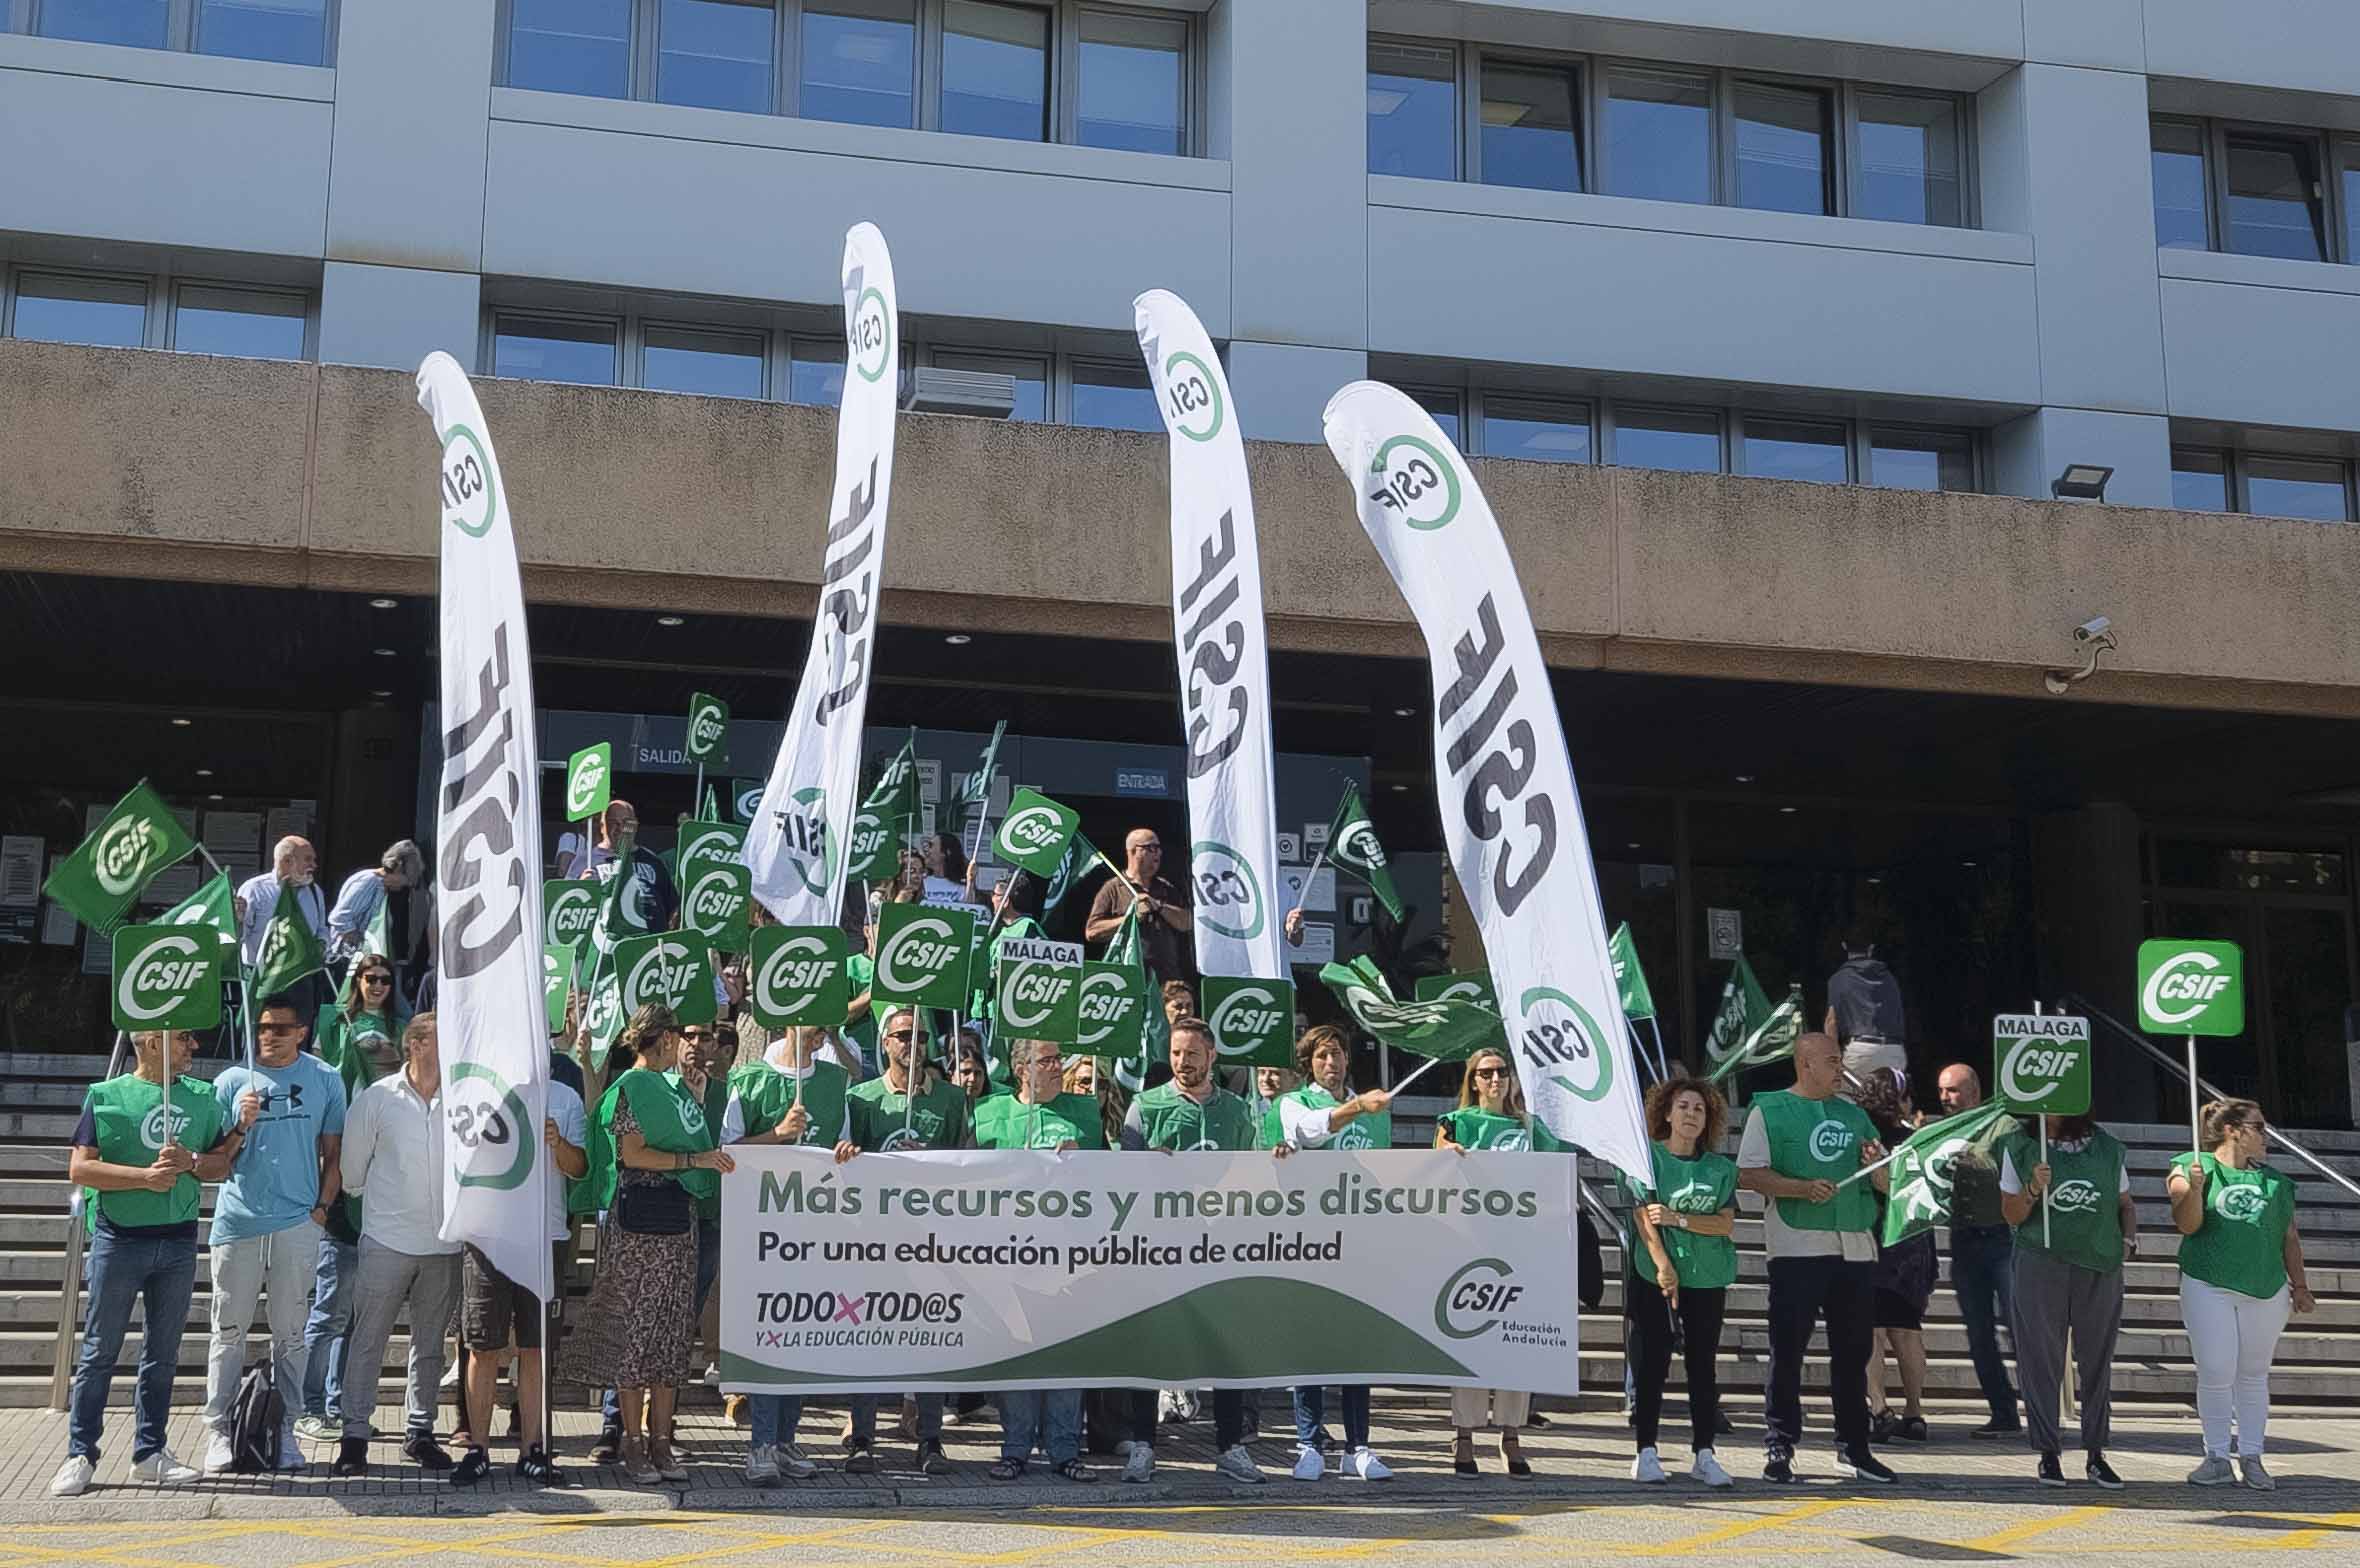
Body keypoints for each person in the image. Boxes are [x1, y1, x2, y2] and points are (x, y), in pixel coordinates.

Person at [51, 1029, 247, 1497]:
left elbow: (221, 1164)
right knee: (100, 1352)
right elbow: (79, 1168)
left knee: (162, 1354)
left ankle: (150, 1451)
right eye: (183, 1040)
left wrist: (192, 1160)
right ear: (152, 1044)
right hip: (119, 1239)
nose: (193, 1048)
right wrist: (144, 1177)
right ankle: (80, 1453)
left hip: (178, 1240)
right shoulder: (105, 1095)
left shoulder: (202, 1098)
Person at [562, 1004, 730, 1485]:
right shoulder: (632, 1087)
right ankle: (632, 1443)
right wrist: (693, 1157)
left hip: (678, 1224)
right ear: (662, 1038)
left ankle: (661, 1442)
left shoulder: (673, 1088)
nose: (685, 1043)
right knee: (634, 1335)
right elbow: (633, 1153)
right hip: (637, 1226)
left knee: (672, 1335)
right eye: (679, 1034)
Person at [1736, 1031, 1896, 1485]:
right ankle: (1780, 1443)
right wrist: (1801, 1189)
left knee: (1854, 1351)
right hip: (1798, 1246)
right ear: (1804, 1064)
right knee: (1788, 1349)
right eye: (1831, 1060)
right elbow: (1749, 1174)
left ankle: (1854, 1446)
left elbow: (1886, 1183)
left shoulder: (1856, 1116)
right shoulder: (1769, 1109)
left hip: (1855, 1246)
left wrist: (1877, 1164)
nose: (1839, 1069)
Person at [202, 995, 347, 1475]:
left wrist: (322, 1209)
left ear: (302, 1031)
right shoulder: (229, 1081)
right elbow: (212, 1161)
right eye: (262, 1027)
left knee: (290, 1334)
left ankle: (287, 1429)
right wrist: (239, 1125)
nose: (269, 1035)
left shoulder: (325, 1078)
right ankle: (218, 1431)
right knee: (228, 1330)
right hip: (239, 1221)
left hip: (297, 1223)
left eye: (281, 1028)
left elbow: (334, 1152)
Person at [1118, 1019, 1265, 1485]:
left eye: (1192, 1054)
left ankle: (1229, 1446)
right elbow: (1119, 1177)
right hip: (1160, 1250)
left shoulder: (1239, 1112)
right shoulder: (1146, 1105)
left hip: (1220, 1250)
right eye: (1177, 1053)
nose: (1183, 1062)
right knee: (1150, 1349)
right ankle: (1143, 1445)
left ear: (1212, 1056)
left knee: (1223, 1350)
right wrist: (1146, 1167)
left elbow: (1254, 1174)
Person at [834, 1005, 970, 1473]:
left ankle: (931, 1439)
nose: (912, 1046)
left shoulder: (951, 1099)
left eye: (921, 1038)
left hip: (931, 1242)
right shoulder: (863, 1099)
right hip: (875, 1241)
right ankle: (863, 1437)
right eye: (903, 1036)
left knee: (930, 1339)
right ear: (885, 1043)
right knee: (869, 1341)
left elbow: (966, 1165)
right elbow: (848, 1165)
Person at [332, 1014, 462, 1478]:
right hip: (386, 1240)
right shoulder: (376, 1099)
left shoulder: (463, 1099)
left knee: (429, 1346)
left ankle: (420, 1432)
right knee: (368, 1340)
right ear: (418, 1045)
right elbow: (351, 1173)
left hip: (444, 1242)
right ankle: (354, 1436)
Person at [721, 1025, 851, 1482]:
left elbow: (844, 1151)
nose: (821, 1032)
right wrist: (777, 1134)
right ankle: (760, 1444)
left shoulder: (836, 1083)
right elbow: (725, 1152)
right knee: (770, 1335)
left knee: (801, 1335)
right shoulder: (748, 1080)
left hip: (815, 1232)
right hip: (762, 1233)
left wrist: (845, 1153)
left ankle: (786, 1439)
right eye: (812, 1021)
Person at [449, 1064, 586, 1489]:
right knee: (482, 1347)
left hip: (544, 1236)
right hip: (488, 1236)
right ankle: (478, 1449)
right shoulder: (477, 1092)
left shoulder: (565, 1097)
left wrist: (556, 1142)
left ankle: (534, 1448)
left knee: (536, 1347)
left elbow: (579, 1167)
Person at [1268, 1025, 1394, 1482]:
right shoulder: (1293, 1103)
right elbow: (1310, 1133)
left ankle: (1358, 1445)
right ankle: (1309, 1442)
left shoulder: (1377, 1111)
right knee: (1311, 1346)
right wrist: (1357, 1107)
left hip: (1359, 1242)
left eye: (1337, 1054)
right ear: (1309, 1063)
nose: (1331, 1063)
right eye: (1321, 1056)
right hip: (1309, 1242)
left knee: (1355, 1346)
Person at [969, 1038, 1099, 1481]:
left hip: (1067, 1260)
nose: (1058, 1066)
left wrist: (1088, 1163)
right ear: (1022, 1069)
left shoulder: (1084, 1112)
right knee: (1020, 1356)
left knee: (1065, 1358)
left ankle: (1065, 1451)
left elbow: (1112, 1177)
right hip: (1008, 1259)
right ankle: (1015, 1448)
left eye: (1059, 1058)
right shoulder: (988, 1113)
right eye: (1048, 1060)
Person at [2169, 1098, 2312, 1490]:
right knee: (2216, 1368)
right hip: (2208, 1282)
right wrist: (2194, 1190)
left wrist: (2299, 1285)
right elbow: (2186, 1225)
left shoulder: (2276, 1183)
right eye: (2259, 1127)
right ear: (2233, 1130)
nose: (2267, 1135)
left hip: (2265, 1287)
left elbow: (2289, 1235)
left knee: (2253, 1374)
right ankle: (2216, 1456)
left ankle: (2251, 1455)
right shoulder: (2190, 1167)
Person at [299, 951, 408, 1443]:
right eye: (370, 978)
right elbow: (334, 1080)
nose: (379, 985)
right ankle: (311, 1406)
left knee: (360, 1315)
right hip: (345, 1167)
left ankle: (341, 1404)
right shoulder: (336, 1020)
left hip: (387, 1180)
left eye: (386, 978)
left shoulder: (406, 1027)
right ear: (356, 981)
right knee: (329, 1309)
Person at [1436, 1045, 1557, 1477]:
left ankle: (1511, 1433)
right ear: (1472, 1080)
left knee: (1515, 1341)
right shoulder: (1459, 1121)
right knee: (1470, 1338)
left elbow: (1553, 1174)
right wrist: (1446, 1153)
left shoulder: (1529, 1127)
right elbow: (1438, 1156)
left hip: (1520, 1243)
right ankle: (1464, 1433)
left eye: (1502, 1071)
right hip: (1470, 1243)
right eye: (1485, 1072)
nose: (1495, 1079)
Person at [2001, 1105, 2136, 1488]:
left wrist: (2128, 1239)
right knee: (2040, 1357)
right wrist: (2031, 1189)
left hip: (2098, 1261)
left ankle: (2096, 1453)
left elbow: (2125, 1204)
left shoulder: (2107, 1148)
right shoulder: (2021, 1146)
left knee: (2097, 1360)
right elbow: (2009, 1214)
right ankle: (2048, 1452)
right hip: (2041, 1260)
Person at [1624, 1073, 1738, 1490]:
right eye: (1684, 1107)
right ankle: (1646, 1450)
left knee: (1701, 1366)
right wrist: (1663, 1264)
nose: (1691, 1115)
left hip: (1707, 1277)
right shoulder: (1645, 1160)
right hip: (1654, 1276)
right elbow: (1642, 1216)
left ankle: (1704, 1453)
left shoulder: (1721, 1169)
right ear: (1667, 1113)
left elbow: (1724, 1224)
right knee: (1651, 1365)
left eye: (1700, 1109)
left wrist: (1679, 1219)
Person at [1938, 1062, 2022, 1439]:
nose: (1945, 1098)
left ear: (1973, 1090)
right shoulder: (1939, 1130)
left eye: (1953, 1090)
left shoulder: (2004, 1125)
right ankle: (2002, 1411)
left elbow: (2014, 1171)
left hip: (2003, 1238)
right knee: (1978, 1332)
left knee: (2019, 1329)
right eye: (1941, 1091)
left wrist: (1966, 1156)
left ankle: (2039, 1409)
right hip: (1965, 1240)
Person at [1857, 1070, 1935, 1447]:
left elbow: (1881, 1186)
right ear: (1899, 1100)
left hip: (1872, 1238)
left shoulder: (1860, 1137)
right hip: (1911, 1241)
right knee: (1907, 1328)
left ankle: (1878, 1407)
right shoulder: (1917, 1141)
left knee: (1871, 1329)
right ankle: (1915, 1411)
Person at [1085, 828, 1193, 986]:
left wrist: (1159, 905)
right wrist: (1131, 918)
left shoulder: (1166, 888)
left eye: (1159, 848)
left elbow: (1187, 923)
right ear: (1133, 851)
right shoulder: (1114, 888)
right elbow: (1092, 932)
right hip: (1125, 978)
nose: (1158, 854)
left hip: (1166, 980)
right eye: (1152, 848)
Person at [576, 800, 680, 937]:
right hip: (607, 945)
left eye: (626, 822)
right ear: (602, 827)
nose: (620, 828)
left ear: (635, 826)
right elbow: (569, 908)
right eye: (613, 822)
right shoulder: (586, 861)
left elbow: (672, 904)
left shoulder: (652, 860)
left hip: (649, 944)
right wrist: (581, 886)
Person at [325, 839, 425, 966]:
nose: (405, 885)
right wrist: (363, 944)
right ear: (397, 867)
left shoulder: (382, 889)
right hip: (345, 960)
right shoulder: (369, 881)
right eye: (406, 879)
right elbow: (339, 917)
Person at [1825, 934, 1905, 1082]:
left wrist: (1833, 1057)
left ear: (1844, 946)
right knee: (1891, 1102)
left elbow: (1831, 1022)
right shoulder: (1888, 977)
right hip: (1893, 1049)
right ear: (1871, 948)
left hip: (1860, 1050)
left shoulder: (1838, 979)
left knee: (1847, 1101)